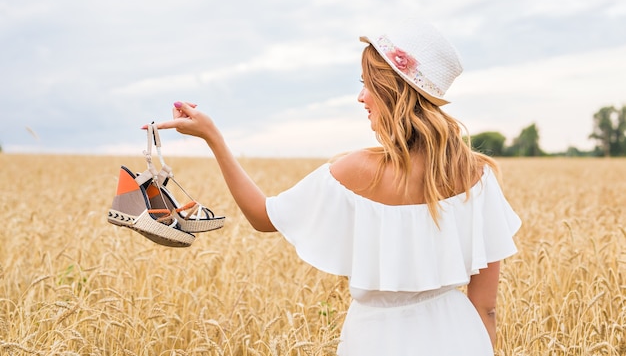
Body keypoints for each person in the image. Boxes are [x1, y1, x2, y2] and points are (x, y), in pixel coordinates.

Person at [153, 18, 521, 355]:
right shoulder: (479, 176)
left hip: (377, 341)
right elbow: (486, 306)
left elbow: (263, 216)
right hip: (461, 338)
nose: (361, 97)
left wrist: (212, 137)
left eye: (367, 84)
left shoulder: (356, 170)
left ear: (392, 91)